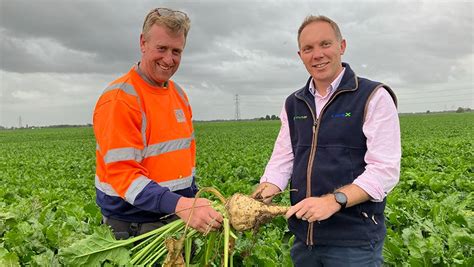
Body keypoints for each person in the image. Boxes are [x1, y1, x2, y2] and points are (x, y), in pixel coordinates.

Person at [252, 15, 401, 266]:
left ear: (341, 46)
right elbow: (283, 160)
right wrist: (257, 198)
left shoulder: (372, 96)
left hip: (353, 243)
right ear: (300, 55)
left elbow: (384, 170)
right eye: (308, 48)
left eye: (325, 44)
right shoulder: (294, 103)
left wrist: (334, 201)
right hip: (304, 240)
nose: (317, 54)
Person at [93, 7, 223, 239]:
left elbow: (183, 164)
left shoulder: (179, 95)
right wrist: (180, 205)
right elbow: (124, 175)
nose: (169, 59)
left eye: (176, 51)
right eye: (161, 48)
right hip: (134, 227)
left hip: (175, 220)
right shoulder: (120, 99)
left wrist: (190, 203)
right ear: (143, 43)